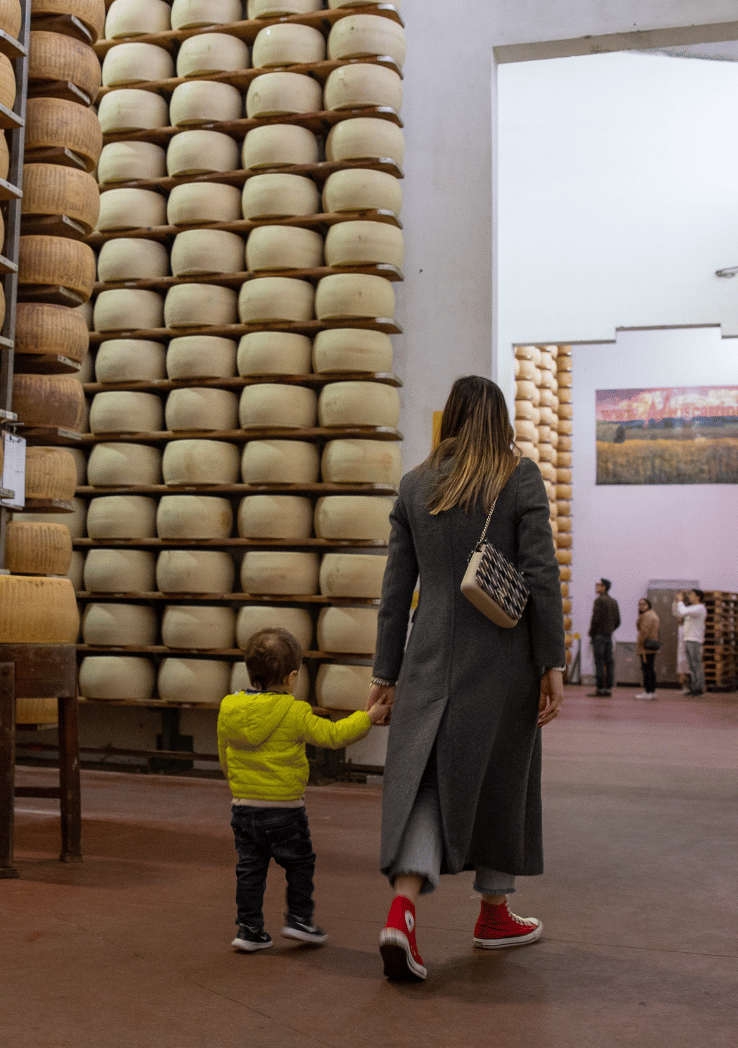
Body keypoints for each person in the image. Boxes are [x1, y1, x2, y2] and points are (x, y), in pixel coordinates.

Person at [369, 375, 565, 983]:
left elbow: (395, 593)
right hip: (502, 661)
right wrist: (550, 663)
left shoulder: (414, 485)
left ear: (449, 417)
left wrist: (386, 673)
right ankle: (493, 912)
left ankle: (402, 913)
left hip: (429, 657)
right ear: (501, 419)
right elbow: (542, 576)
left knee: (425, 782)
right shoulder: (517, 476)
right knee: (503, 778)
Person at [217, 627, 388, 953]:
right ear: (292, 677)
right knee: (299, 863)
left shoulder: (229, 708)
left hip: (243, 806)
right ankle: (298, 919)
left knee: (250, 869)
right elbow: (334, 735)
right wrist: (369, 717)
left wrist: (238, 786)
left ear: (250, 673)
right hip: (285, 809)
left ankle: (249, 929)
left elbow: (224, 754)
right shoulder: (295, 712)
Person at [588, 578, 621, 697]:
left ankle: (600, 688)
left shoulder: (599, 600)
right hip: (609, 636)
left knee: (599, 662)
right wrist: (610, 630)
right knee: (609, 662)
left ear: (603, 587)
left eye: (599, 585)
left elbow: (595, 619)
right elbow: (618, 621)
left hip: (598, 636)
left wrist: (591, 632)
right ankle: (608, 688)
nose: (596, 587)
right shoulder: (613, 601)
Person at [674, 589, 707, 697]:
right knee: (692, 665)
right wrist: (677, 601)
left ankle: (699, 688)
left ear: (698, 597)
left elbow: (683, 611)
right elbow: (679, 613)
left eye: (691, 595)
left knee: (696, 665)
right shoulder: (691, 608)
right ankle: (694, 687)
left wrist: (680, 601)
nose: (689, 596)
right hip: (688, 639)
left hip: (695, 640)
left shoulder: (700, 608)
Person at [634, 598, 661, 699]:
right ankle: (652, 692)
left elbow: (644, 631)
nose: (641, 606)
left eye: (643, 604)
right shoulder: (652, 614)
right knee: (650, 668)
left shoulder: (647, 616)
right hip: (651, 645)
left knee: (647, 669)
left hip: (646, 647)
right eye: (640, 604)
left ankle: (648, 692)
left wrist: (641, 642)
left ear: (648, 605)